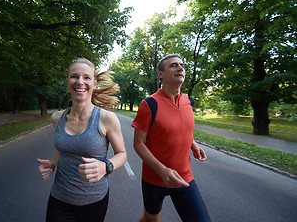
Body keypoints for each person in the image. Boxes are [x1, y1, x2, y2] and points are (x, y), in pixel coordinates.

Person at [37, 58, 127, 222]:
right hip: (59, 199)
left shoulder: (106, 118)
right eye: (74, 76)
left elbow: (122, 154)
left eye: (86, 77)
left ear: (94, 83)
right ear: (67, 82)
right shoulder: (57, 118)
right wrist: (52, 163)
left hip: (94, 202)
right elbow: (63, 147)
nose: (80, 82)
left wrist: (106, 166)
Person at [132, 54, 211, 222]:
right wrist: (162, 171)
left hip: (184, 178)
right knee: (151, 219)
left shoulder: (188, 102)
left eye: (182, 65)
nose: (180, 68)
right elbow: (138, 144)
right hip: (154, 179)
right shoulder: (149, 104)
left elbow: (183, 129)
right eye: (174, 65)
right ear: (161, 74)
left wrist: (193, 144)